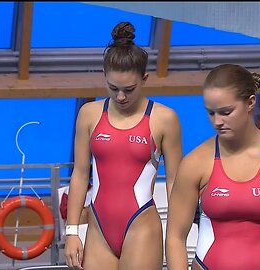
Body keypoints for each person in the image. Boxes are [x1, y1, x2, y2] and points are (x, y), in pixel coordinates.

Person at [166, 64, 260, 269]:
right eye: (211, 113)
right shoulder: (195, 163)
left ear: (250, 103)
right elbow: (175, 236)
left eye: (226, 112)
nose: (217, 122)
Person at [64, 21, 183, 270]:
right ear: (104, 78)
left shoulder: (164, 119)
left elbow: (175, 182)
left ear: (145, 78)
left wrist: (177, 237)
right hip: (98, 228)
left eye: (129, 89)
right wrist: (72, 231)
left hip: (141, 227)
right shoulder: (89, 114)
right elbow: (80, 173)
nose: (120, 97)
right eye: (113, 88)